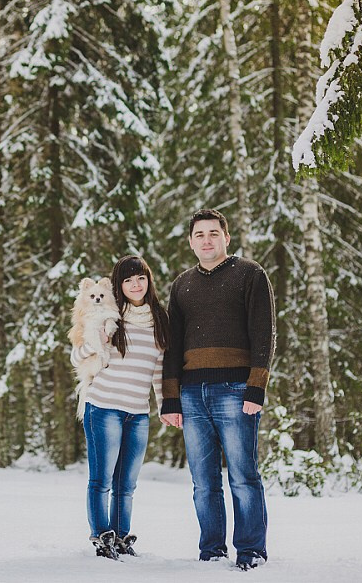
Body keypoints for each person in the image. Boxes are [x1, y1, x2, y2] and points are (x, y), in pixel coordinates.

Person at [159, 209, 275, 571]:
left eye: (213, 233)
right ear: (191, 242)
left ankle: (251, 551)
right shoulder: (182, 285)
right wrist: (170, 397)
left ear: (226, 237)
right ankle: (211, 551)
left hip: (236, 390)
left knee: (243, 476)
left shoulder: (250, 274)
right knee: (203, 482)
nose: (206, 240)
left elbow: (264, 333)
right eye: (199, 235)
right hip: (192, 393)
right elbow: (172, 346)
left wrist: (256, 387)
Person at [70, 255, 169, 560]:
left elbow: (158, 369)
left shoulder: (160, 320)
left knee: (127, 484)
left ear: (148, 281)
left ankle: (121, 536)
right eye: (127, 280)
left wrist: (163, 404)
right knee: (102, 480)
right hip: (103, 407)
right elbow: (76, 357)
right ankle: (102, 536)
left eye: (140, 278)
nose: (135, 285)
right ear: (119, 285)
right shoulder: (110, 316)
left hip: (138, 413)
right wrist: (96, 342)